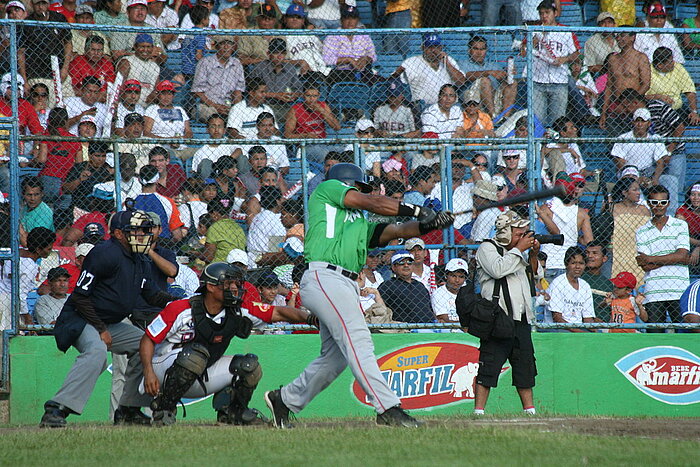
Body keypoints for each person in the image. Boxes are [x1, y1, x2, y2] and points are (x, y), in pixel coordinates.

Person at [263, 162, 455, 429]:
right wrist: (418, 209)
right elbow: (372, 202)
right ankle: (388, 408)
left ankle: (284, 400)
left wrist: (429, 224)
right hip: (325, 275)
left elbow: (398, 231)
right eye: (358, 186)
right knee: (359, 341)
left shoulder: (358, 223)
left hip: (344, 283)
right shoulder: (327, 190)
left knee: (336, 357)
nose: (362, 191)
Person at [40, 209, 178, 427]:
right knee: (97, 353)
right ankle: (56, 409)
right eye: (135, 230)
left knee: (146, 345)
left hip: (109, 322)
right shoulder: (104, 253)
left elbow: (151, 293)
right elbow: (80, 297)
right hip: (81, 318)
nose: (142, 235)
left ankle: (129, 410)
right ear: (118, 234)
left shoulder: (139, 257)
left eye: (143, 230)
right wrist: (101, 329)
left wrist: (180, 302)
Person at [140, 262, 264, 425]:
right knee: (195, 356)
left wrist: (308, 317)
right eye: (228, 283)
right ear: (211, 286)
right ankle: (164, 409)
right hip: (164, 367)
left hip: (200, 369)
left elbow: (276, 312)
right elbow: (147, 339)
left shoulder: (235, 310)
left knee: (249, 366)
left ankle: (234, 413)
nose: (234, 288)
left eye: (236, 283)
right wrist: (148, 371)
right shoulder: (182, 308)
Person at [473, 210, 539, 415]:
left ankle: (530, 410)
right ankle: (479, 411)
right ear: (505, 232)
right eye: (519, 233)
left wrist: (533, 254)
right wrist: (519, 249)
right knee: (488, 366)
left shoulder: (518, 252)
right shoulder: (487, 248)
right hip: (497, 319)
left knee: (525, 366)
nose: (523, 238)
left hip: (521, 319)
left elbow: (534, 275)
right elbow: (497, 270)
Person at [635, 184, 690, 332]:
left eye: (663, 202)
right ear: (648, 203)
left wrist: (651, 258)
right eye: (654, 202)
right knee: (655, 336)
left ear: (669, 204)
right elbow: (646, 266)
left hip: (679, 289)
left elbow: (682, 255)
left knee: (685, 335)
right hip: (653, 291)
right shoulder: (641, 231)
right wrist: (676, 258)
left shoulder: (680, 225)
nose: (659, 206)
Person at [522, 1, 580, 127]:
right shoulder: (534, 30)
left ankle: (555, 146)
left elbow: (576, 54)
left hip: (559, 81)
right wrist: (532, 42)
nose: (544, 16)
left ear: (555, 13)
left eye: (547, 13)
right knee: (537, 122)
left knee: (558, 122)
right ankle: (539, 146)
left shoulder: (565, 31)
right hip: (537, 82)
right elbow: (522, 52)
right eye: (541, 13)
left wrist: (564, 59)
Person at [536, 175, 593, 280]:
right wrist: (574, 237)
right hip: (569, 263)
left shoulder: (546, 209)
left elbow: (540, 231)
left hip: (549, 262)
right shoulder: (582, 213)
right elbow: (588, 241)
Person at [18, 0, 72, 107]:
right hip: (37, 73)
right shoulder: (27, 23)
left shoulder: (59, 19)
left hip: (59, 71)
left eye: (44, 3)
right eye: (37, 4)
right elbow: (21, 52)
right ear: (32, 4)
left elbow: (68, 43)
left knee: (68, 105)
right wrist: (24, 79)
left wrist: (65, 68)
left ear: (48, 4)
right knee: (46, 108)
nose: (41, 7)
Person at [0, 227, 55, 329]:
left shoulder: (16, 253)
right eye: (48, 249)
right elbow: (20, 294)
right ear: (38, 249)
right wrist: (27, 318)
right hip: (8, 303)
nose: (50, 251)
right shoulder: (30, 266)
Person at [390, 33, 465, 106]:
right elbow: (393, 79)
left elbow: (461, 81)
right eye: (429, 47)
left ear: (441, 48)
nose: (433, 50)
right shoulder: (411, 62)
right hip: (423, 107)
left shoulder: (449, 60)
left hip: (449, 106)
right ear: (423, 48)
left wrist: (447, 64)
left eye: (436, 46)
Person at [600, 28, 651, 131]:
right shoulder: (612, 59)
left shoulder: (641, 57)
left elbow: (646, 84)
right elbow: (609, 86)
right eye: (617, 36)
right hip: (616, 105)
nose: (619, 38)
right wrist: (604, 112)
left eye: (622, 35)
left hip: (635, 104)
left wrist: (629, 103)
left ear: (632, 37)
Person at [461, 35, 517, 118]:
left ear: (486, 50)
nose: (479, 52)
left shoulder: (493, 65)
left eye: (482, 49)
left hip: (493, 100)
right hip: (472, 101)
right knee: (485, 80)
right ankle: (493, 116)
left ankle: (505, 118)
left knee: (512, 83)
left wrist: (508, 74)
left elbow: (504, 80)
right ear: (469, 50)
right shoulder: (463, 63)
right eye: (475, 49)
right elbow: (465, 76)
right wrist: (488, 72)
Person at [191, 35, 244, 122]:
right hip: (207, 105)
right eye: (223, 44)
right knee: (213, 115)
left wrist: (236, 108)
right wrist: (215, 106)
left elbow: (238, 91)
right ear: (216, 46)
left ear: (233, 47)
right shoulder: (205, 63)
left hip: (227, 105)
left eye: (229, 44)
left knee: (242, 115)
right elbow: (197, 92)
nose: (226, 47)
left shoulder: (237, 64)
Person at [284, 83, 341, 163]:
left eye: (315, 96)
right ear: (303, 96)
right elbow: (287, 135)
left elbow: (337, 127)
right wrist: (305, 136)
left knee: (343, 150)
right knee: (324, 154)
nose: (311, 99)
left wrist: (322, 111)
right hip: (306, 145)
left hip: (323, 143)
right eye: (308, 96)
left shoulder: (323, 106)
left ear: (318, 96)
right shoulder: (295, 109)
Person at [249, 38, 303, 122]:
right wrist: (276, 95)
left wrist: (292, 95)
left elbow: (299, 90)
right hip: (264, 106)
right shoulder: (259, 68)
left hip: (286, 106)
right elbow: (252, 93)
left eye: (282, 53)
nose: (279, 56)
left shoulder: (290, 68)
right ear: (268, 53)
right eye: (275, 52)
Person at [322, 5, 377, 85]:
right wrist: (348, 60)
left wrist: (366, 58)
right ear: (341, 20)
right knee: (349, 77)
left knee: (379, 81)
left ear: (358, 20)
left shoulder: (364, 35)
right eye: (347, 18)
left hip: (364, 71)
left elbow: (373, 55)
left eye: (353, 18)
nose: (350, 21)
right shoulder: (332, 36)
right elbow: (327, 59)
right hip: (341, 72)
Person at [546, 246, 596, 331]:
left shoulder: (585, 286)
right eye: (573, 263)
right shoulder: (558, 283)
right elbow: (557, 318)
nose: (577, 267)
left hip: (579, 328)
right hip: (559, 329)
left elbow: (588, 319)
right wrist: (578, 332)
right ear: (566, 264)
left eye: (581, 263)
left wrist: (596, 332)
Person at [133, 164, 186, 243]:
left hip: (135, 246)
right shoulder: (167, 202)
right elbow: (177, 235)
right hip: (161, 245)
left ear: (139, 180)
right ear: (157, 180)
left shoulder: (130, 202)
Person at [645, 47, 700, 124]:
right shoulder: (647, 71)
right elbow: (640, 96)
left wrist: (694, 111)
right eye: (670, 62)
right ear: (660, 65)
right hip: (656, 111)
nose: (673, 63)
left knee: (695, 121)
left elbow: (690, 91)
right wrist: (658, 97)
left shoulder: (678, 67)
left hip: (677, 110)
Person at [115, 33, 162, 106]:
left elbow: (157, 89)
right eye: (142, 46)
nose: (145, 50)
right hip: (126, 106)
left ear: (152, 48)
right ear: (135, 47)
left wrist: (154, 95)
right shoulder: (126, 62)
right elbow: (118, 88)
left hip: (147, 107)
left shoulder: (155, 66)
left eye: (148, 47)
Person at [191, 114, 242, 179]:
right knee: (206, 162)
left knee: (242, 158)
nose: (216, 129)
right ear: (207, 130)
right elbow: (194, 171)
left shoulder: (229, 143)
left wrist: (227, 161)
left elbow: (239, 150)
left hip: (230, 178)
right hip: (210, 182)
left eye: (219, 126)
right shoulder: (200, 152)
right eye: (213, 126)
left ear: (224, 130)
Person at [67, 34, 115, 99]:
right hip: (80, 100)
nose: (96, 53)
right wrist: (98, 97)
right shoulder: (76, 63)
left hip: (103, 101)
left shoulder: (108, 64)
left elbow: (110, 88)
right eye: (93, 50)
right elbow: (74, 89)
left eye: (99, 50)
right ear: (85, 50)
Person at [202, 198, 246, 263]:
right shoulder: (237, 226)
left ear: (214, 214)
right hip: (237, 263)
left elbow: (208, 257)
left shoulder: (215, 227)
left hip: (220, 265)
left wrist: (197, 255)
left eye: (209, 215)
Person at [581, 240, 612, 321]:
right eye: (587, 253)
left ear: (604, 258)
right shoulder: (578, 279)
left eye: (595, 253)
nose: (590, 256)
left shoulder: (608, 284)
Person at [432, 258, 468, 323]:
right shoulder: (438, 293)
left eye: (461, 277)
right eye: (453, 276)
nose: (457, 280)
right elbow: (443, 318)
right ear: (446, 276)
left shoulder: (469, 293)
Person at [676, 182, 700, 271]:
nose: (696, 198)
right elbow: (681, 235)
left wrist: (698, 248)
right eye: (693, 195)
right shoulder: (682, 211)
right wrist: (698, 244)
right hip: (688, 241)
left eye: (699, 195)